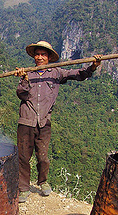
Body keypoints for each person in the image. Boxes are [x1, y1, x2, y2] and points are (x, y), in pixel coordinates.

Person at [14, 40, 101, 203]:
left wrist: (93, 66)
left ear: (48, 57)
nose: (40, 57)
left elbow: (78, 74)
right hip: (27, 120)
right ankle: (23, 188)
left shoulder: (56, 73)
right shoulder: (28, 74)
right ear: (34, 57)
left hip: (44, 121)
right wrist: (24, 78)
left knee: (43, 156)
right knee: (24, 156)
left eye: (43, 55)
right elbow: (21, 94)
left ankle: (43, 182)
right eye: (37, 54)